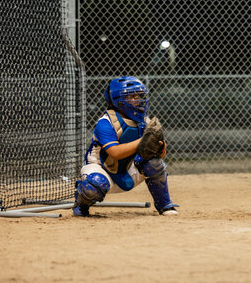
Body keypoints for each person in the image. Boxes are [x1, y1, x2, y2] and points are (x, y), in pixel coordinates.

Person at [72, 76, 179, 216]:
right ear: (118, 100)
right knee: (94, 185)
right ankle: (81, 205)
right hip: (102, 170)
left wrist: (159, 150)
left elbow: (158, 156)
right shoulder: (106, 122)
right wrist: (141, 142)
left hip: (127, 169)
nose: (138, 100)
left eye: (139, 96)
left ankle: (165, 205)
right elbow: (115, 153)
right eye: (132, 96)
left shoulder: (143, 121)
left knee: (155, 163)